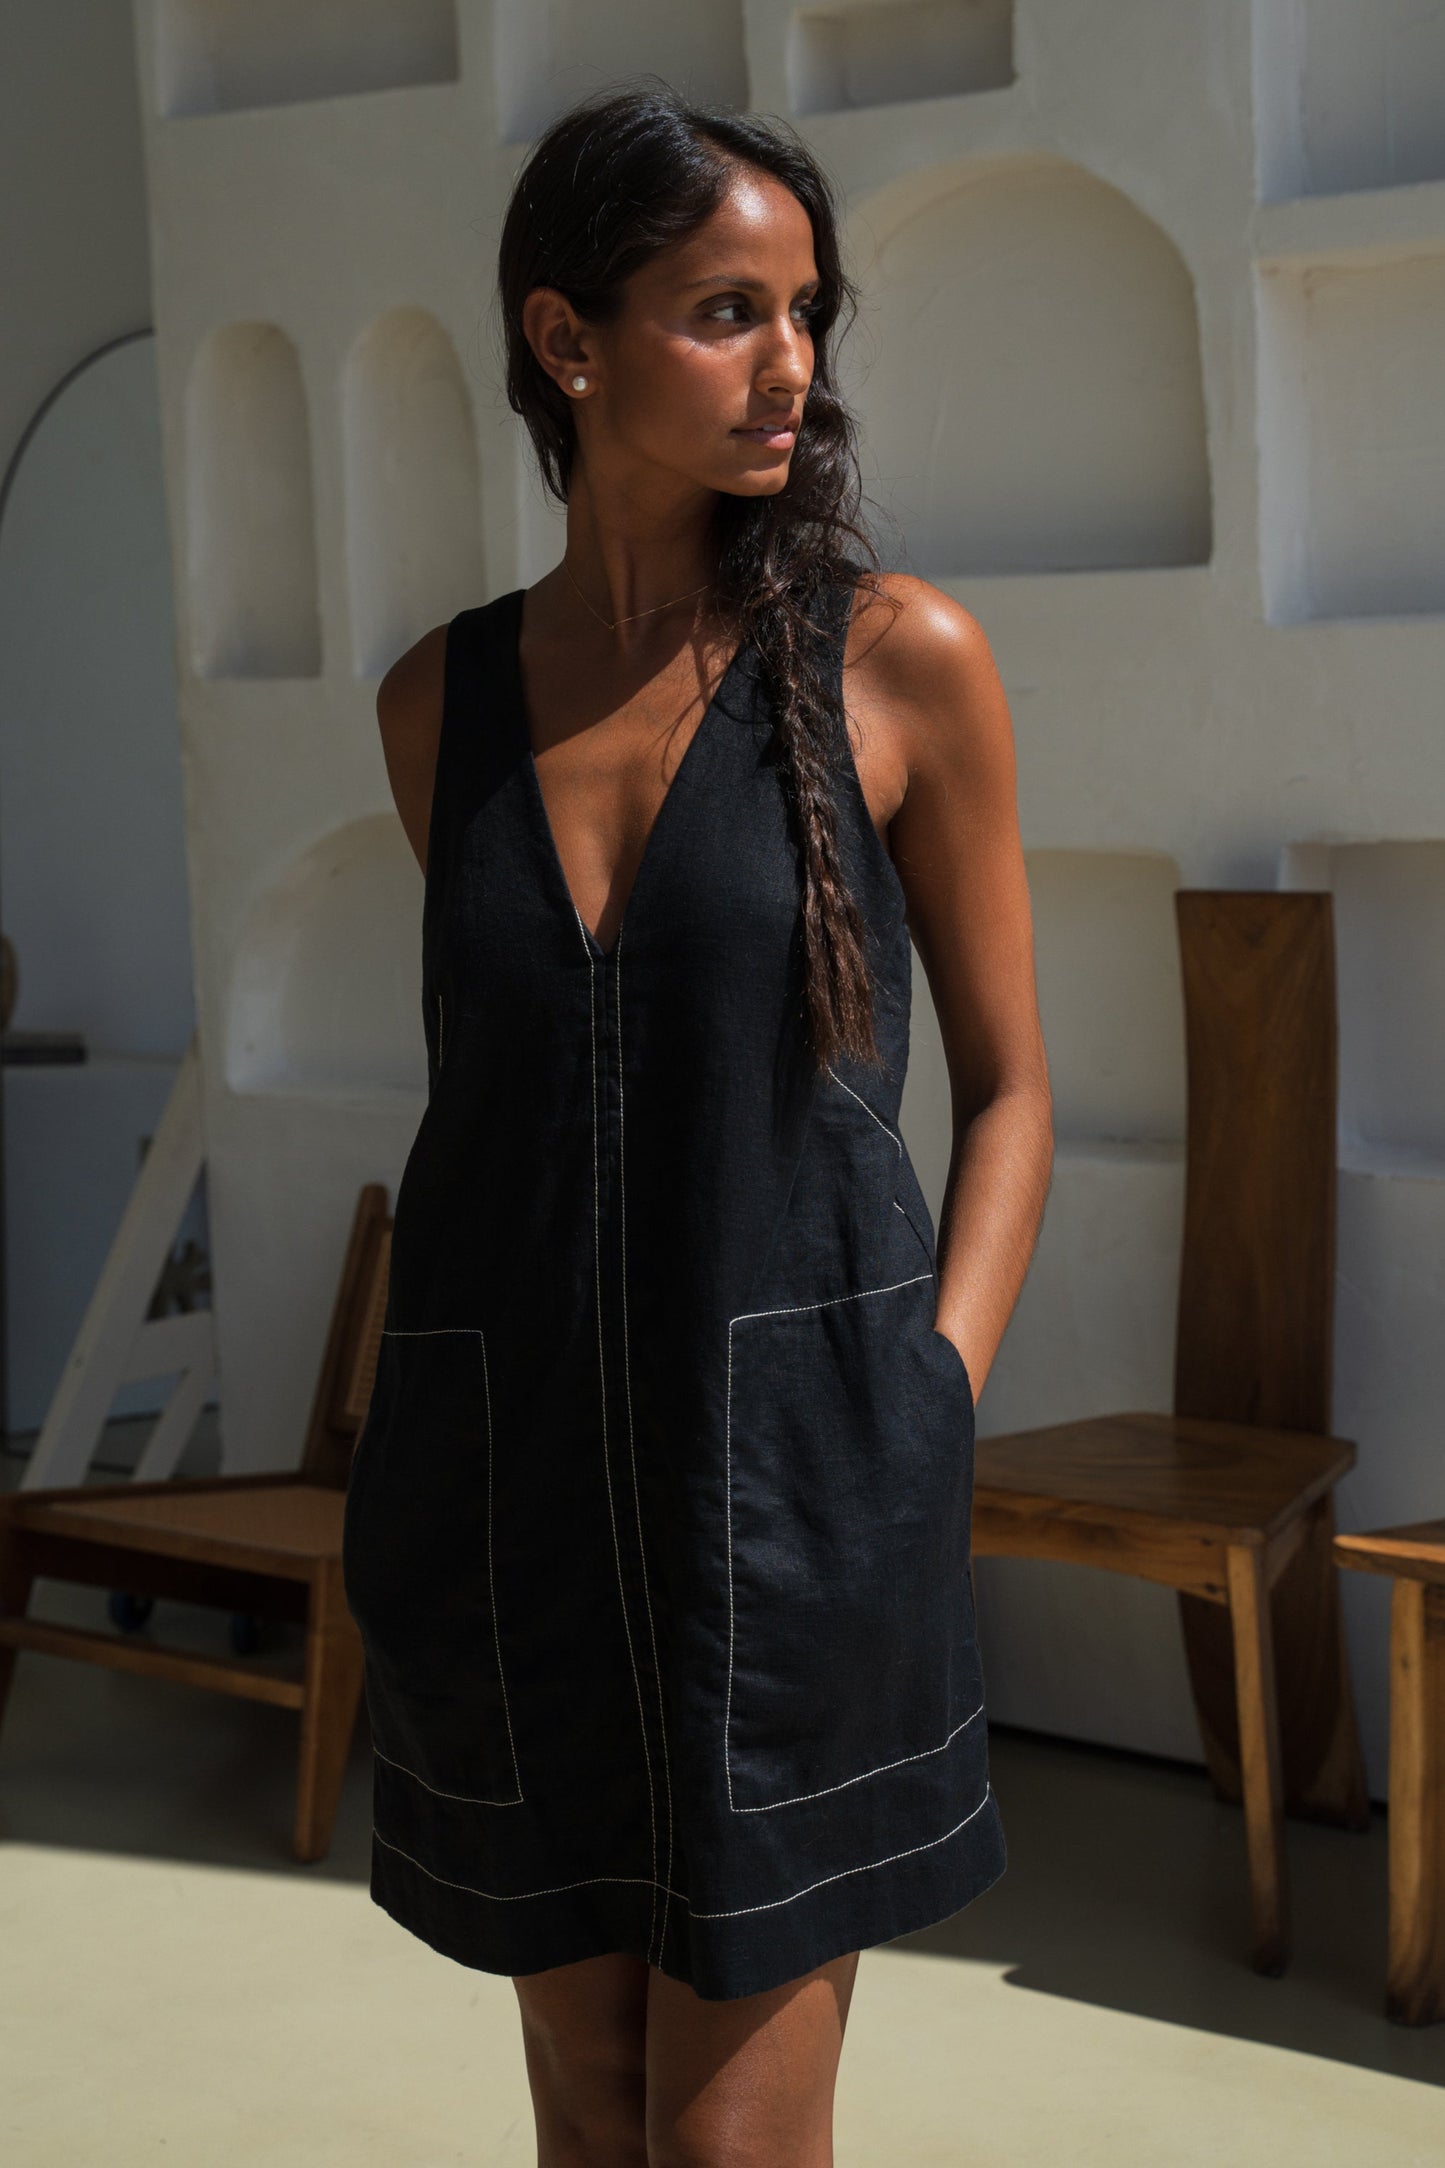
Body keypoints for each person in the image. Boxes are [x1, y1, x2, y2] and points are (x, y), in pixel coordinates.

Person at [342, 80, 1053, 2168]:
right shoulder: (438, 705)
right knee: (585, 2111)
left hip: (803, 1499)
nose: (792, 364)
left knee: (730, 2135)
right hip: (512, 1503)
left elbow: (1014, 1088)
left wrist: (926, 1399)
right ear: (569, 341)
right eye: (726, 310)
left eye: (807, 309)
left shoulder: (897, 663)